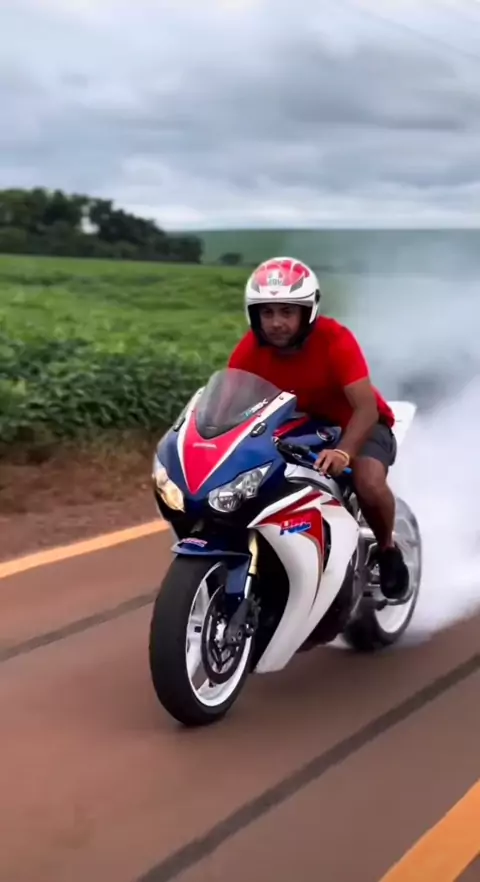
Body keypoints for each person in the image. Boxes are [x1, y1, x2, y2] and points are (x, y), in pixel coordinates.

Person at [227, 256, 410, 601]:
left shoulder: (335, 339)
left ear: (307, 312)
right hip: (297, 429)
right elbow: (229, 404)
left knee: (368, 483)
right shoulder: (249, 350)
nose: (276, 323)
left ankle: (387, 550)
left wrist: (344, 452)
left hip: (358, 425)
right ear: (254, 315)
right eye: (268, 313)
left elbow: (365, 408)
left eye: (287, 312)